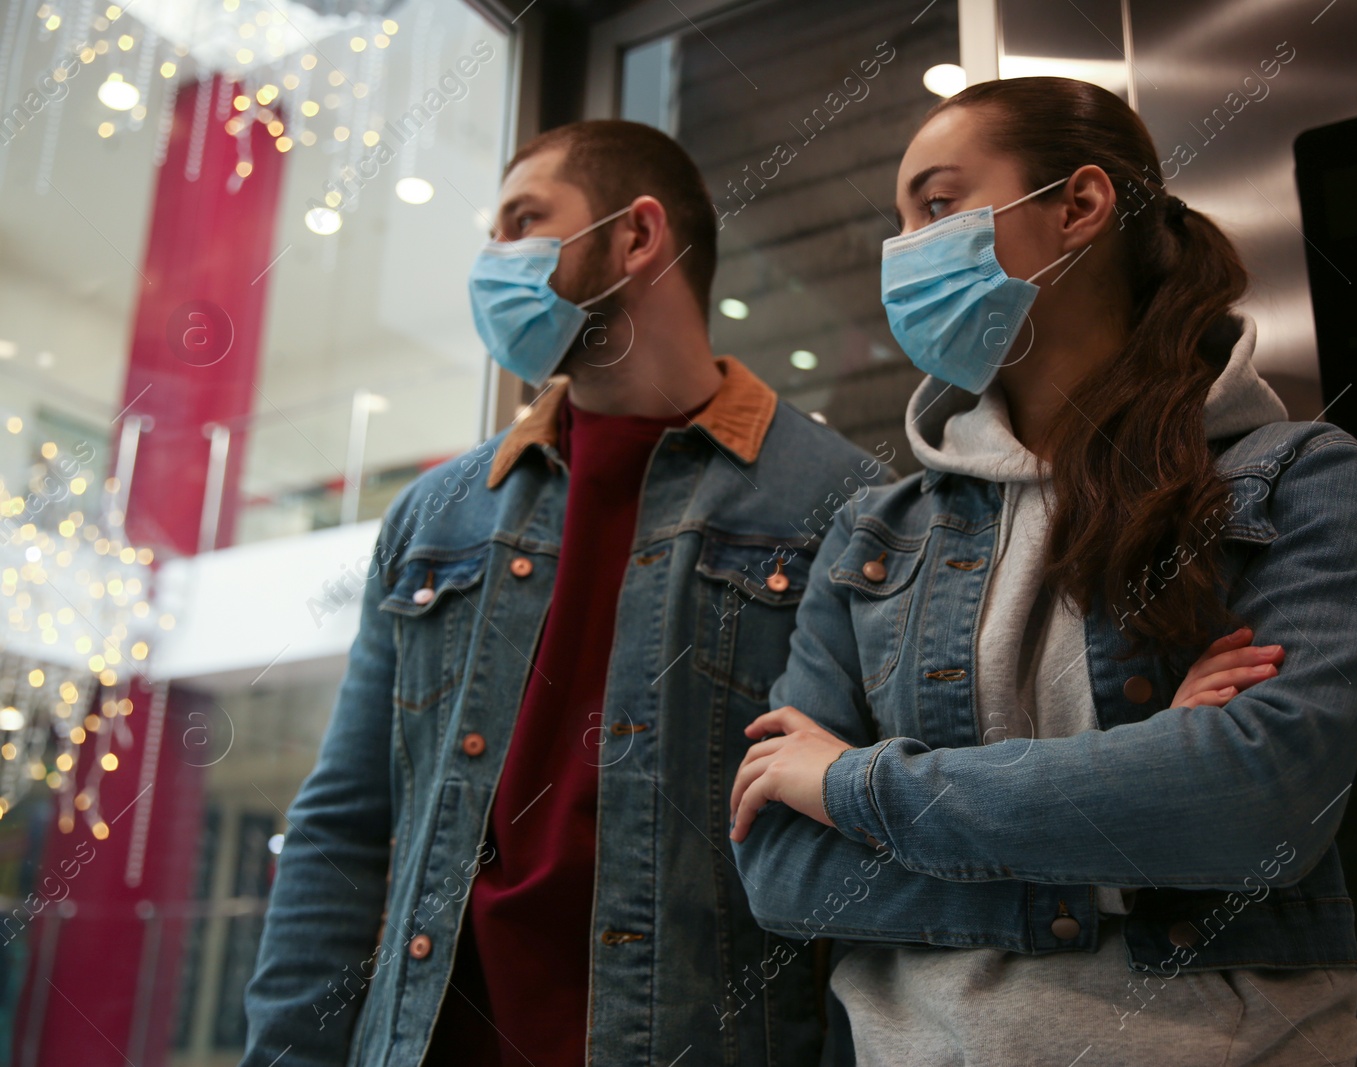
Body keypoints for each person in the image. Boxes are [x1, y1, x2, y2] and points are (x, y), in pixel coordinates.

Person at [729, 77, 1357, 1067]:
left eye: (937, 204)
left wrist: (855, 785)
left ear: (1077, 206)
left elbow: (1262, 803)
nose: (903, 247)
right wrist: (1144, 808)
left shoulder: (1286, 472)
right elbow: (783, 867)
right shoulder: (876, 530)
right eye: (900, 218)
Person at [241, 119, 902, 1067]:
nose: (493, 260)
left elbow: (866, 860)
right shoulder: (439, 513)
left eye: (523, 220)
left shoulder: (838, 504)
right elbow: (342, 828)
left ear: (636, 236)